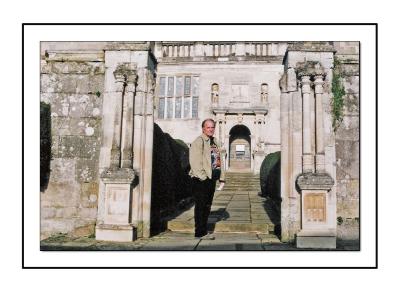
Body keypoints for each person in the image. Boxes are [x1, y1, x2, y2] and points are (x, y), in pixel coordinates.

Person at [189, 118, 225, 239]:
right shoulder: (198, 142)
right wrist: (203, 178)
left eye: (212, 127)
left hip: (211, 179)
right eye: (208, 127)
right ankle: (199, 232)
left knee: (207, 206)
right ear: (203, 128)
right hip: (201, 180)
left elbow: (219, 161)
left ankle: (203, 231)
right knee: (201, 205)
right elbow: (195, 162)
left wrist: (221, 177)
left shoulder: (215, 142)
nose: (210, 129)